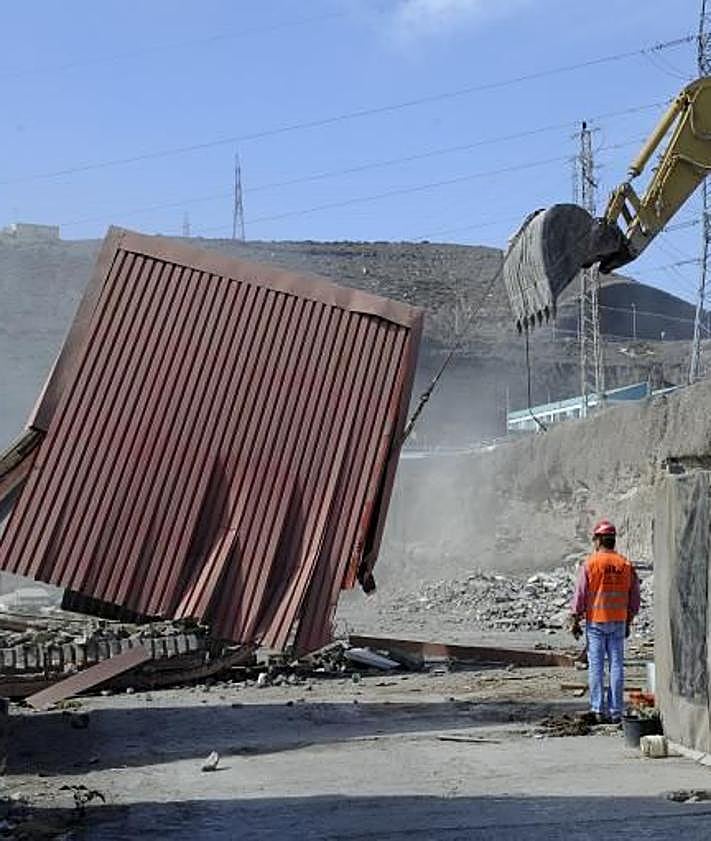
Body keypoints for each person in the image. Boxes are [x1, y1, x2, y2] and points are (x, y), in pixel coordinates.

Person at [569, 519, 640, 724]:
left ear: (599, 540)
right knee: (617, 666)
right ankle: (616, 711)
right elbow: (634, 597)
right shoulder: (625, 564)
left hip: (596, 624)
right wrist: (629, 619)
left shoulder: (590, 563)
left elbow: (580, 595)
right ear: (613, 540)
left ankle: (598, 709)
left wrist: (575, 619)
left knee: (596, 666)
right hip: (618, 622)